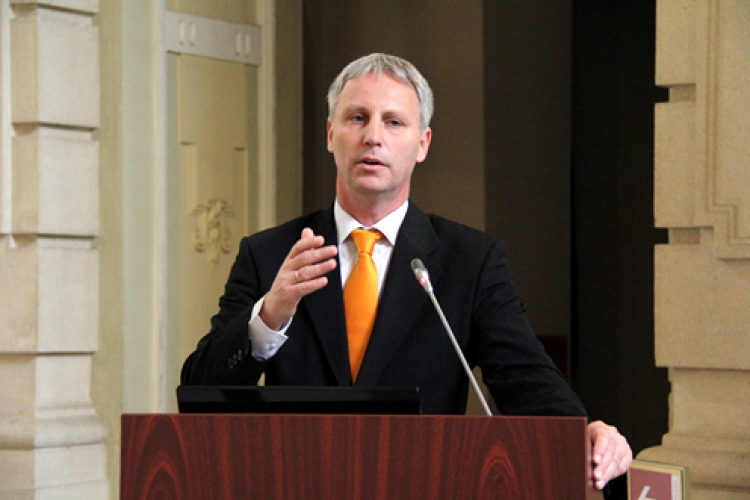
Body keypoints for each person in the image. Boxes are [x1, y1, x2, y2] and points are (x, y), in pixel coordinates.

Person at [181, 52, 632, 489]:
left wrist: (583, 430)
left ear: (423, 144)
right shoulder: (270, 254)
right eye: (357, 118)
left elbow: (525, 378)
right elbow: (199, 393)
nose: (373, 137)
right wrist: (269, 316)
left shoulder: (470, 260)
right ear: (331, 134)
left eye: (393, 122)